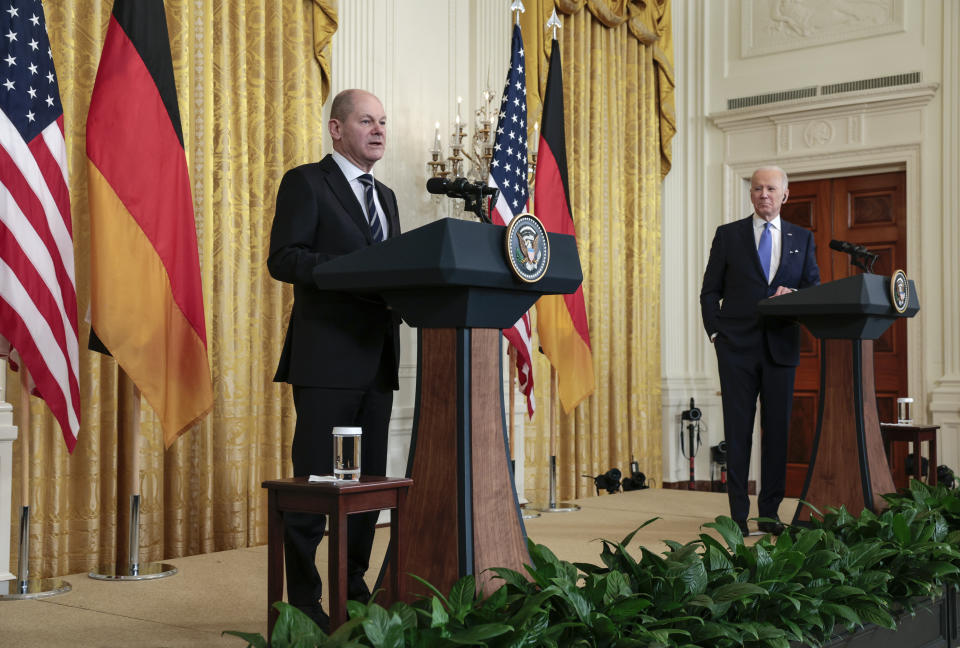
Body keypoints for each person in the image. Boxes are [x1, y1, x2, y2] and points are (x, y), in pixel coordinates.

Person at [267, 89, 401, 630]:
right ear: (336, 128)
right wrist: (352, 269)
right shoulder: (306, 182)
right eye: (366, 120)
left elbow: (394, 265)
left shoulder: (388, 196)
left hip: (378, 361)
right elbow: (284, 258)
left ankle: (353, 592)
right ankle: (302, 603)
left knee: (367, 490)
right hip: (325, 362)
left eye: (383, 122)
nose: (378, 130)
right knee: (317, 488)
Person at [699, 166, 819, 536]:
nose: (763, 194)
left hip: (781, 348)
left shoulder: (802, 238)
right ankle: (737, 517)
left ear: (785, 194)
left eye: (770, 188)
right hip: (735, 349)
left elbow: (814, 288)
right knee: (737, 433)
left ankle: (770, 515)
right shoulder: (729, 235)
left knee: (778, 433)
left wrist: (796, 295)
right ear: (750, 194)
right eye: (756, 189)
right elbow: (709, 292)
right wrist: (716, 334)